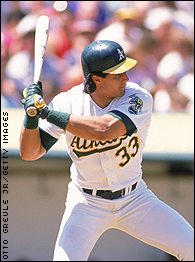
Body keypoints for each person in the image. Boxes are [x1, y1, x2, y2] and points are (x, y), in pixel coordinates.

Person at [19, 40, 194, 261]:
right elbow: (29, 152)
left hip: (134, 199)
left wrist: (46, 112)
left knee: (191, 246)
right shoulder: (67, 102)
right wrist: (31, 116)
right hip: (86, 202)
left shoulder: (137, 97)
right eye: (117, 74)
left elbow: (104, 130)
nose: (126, 78)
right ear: (96, 79)